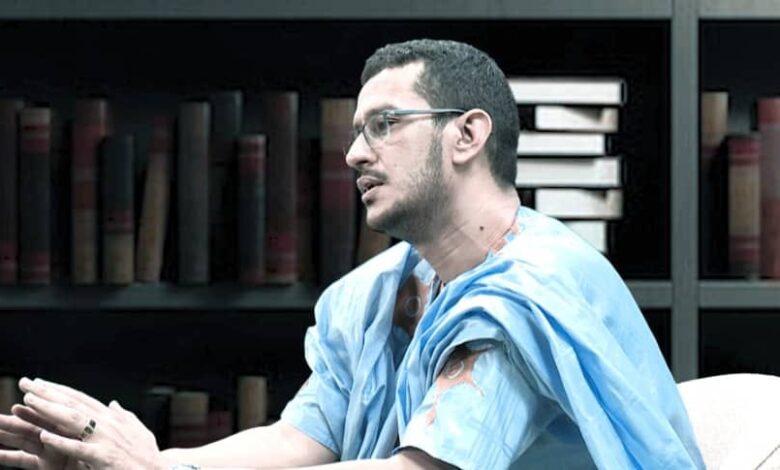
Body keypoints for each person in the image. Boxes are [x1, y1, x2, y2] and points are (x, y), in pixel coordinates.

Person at [0, 39, 704, 469]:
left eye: (384, 124)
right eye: (357, 130)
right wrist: (154, 461)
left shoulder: (525, 296)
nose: (353, 153)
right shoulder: (382, 292)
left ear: (467, 135)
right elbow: (305, 436)